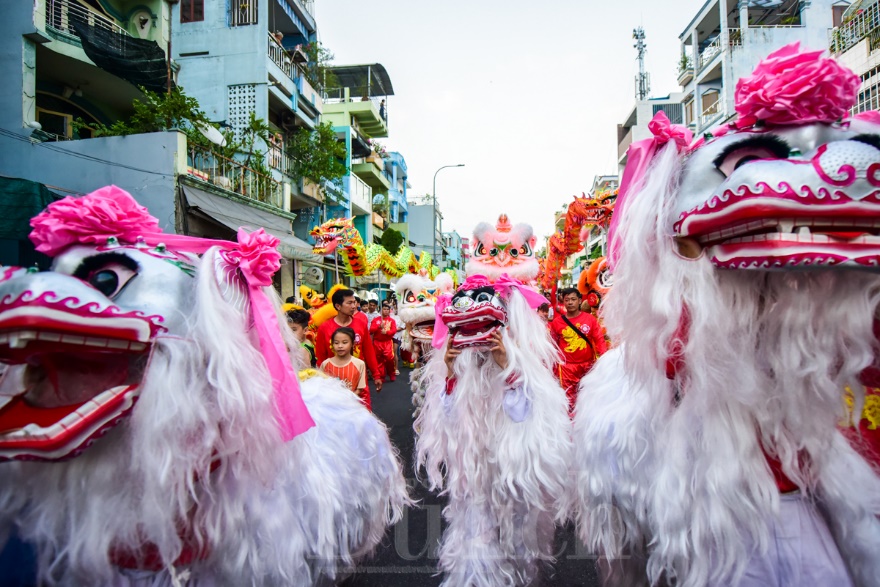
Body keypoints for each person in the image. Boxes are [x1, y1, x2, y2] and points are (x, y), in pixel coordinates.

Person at [548, 287, 607, 412]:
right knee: (569, 400)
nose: (570, 302)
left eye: (573, 299)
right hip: (567, 369)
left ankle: (586, 421)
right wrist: (553, 369)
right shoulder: (557, 323)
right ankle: (571, 425)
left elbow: (599, 340)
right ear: (563, 302)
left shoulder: (590, 319)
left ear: (580, 301)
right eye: (567, 300)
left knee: (589, 395)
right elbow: (553, 346)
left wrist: (605, 360)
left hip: (588, 367)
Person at [315, 288, 383, 393]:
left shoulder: (361, 324)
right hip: (332, 381)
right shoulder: (324, 328)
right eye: (349, 303)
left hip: (357, 378)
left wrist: (376, 374)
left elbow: (368, 351)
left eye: (354, 302)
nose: (354, 306)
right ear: (338, 306)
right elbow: (321, 357)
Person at [320, 327, 370, 409]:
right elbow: (321, 387)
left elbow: (360, 389)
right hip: (330, 407)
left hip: (351, 407)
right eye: (336, 343)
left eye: (344, 342)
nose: (340, 346)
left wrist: (347, 399)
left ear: (353, 344)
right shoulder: (325, 364)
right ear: (332, 344)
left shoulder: (359, 364)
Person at [370, 302, 397, 382]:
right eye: (384, 309)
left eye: (387, 309)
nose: (385, 311)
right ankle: (381, 376)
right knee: (378, 360)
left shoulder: (392, 321)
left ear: (389, 311)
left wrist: (387, 332)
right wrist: (378, 327)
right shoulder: (376, 320)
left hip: (387, 342)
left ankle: (391, 373)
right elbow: (371, 330)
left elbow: (394, 330)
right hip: (377, 342)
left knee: (389, 359)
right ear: (381, 310)